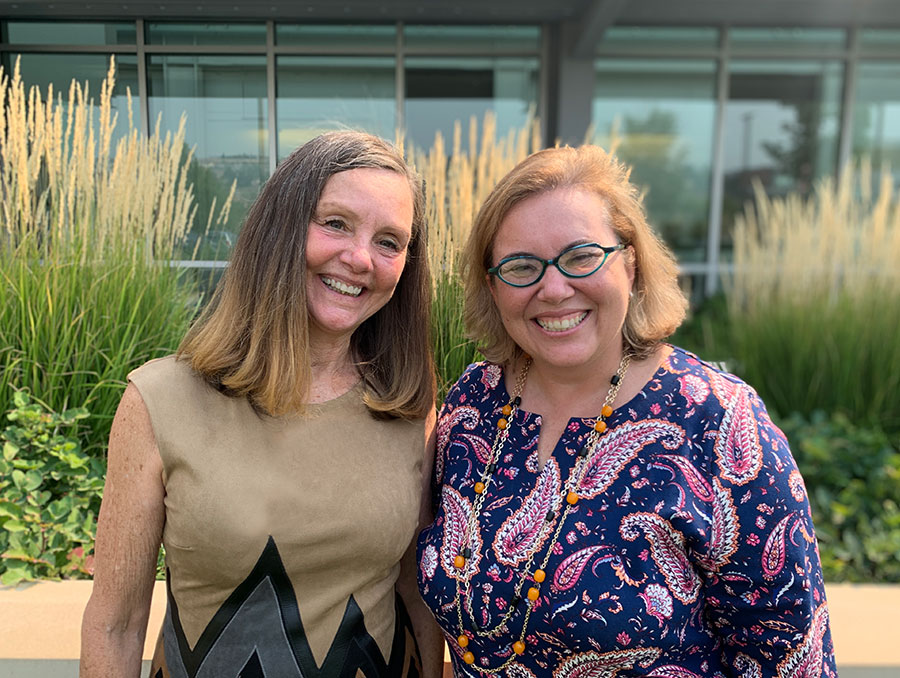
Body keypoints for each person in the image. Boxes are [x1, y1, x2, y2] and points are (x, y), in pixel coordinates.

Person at [417, 145, 836, 677]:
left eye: (581, 256)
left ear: (630, 262)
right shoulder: (471, 403)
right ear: (493, 285)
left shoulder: (719, 421)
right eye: (521, 266)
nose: (553, 288)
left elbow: (792, 656)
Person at [81, 131, 443, 678]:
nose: (360, 258)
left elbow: (416, 596)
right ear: (281, 228)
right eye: (336, 223)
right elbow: (116, 623)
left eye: (390, 242)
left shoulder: (409, 410)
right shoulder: (160, 402)